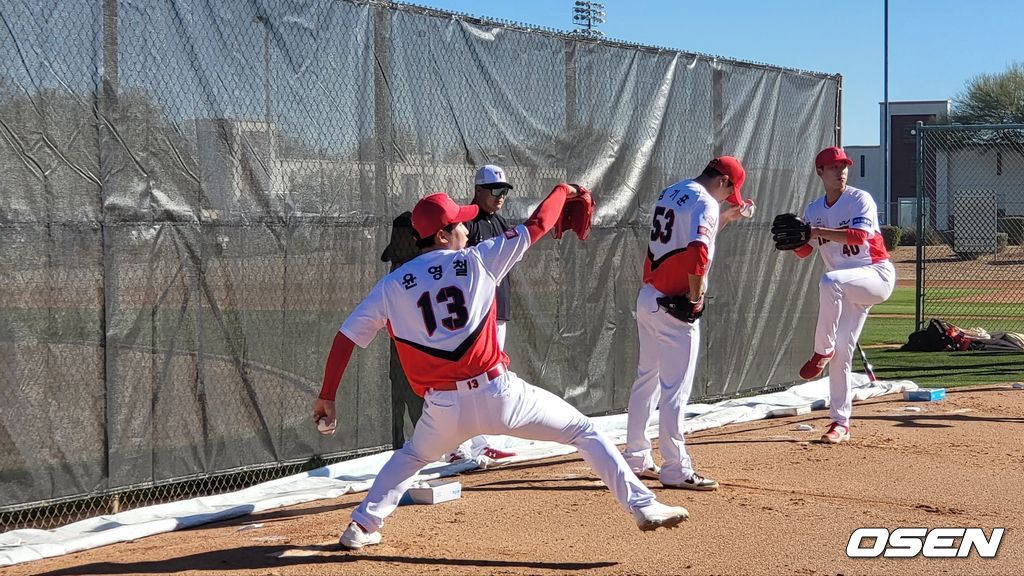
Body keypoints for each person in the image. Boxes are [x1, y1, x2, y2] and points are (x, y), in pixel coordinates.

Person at [313, 185, 689, 550]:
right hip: (499, 394)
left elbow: (345, 337)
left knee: (411, 457)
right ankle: (643, 506)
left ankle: (362, 525)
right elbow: (539, 224)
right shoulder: (479, 258)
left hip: (443, 410)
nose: (466, 228)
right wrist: (563, 190)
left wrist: (328, 396)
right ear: (442, 235)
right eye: (459, 224)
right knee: (584, 432)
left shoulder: (391, 286)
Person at [624, 156, 755, 490]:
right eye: (730, 192)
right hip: (674, 305)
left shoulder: (674, 191)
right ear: (723, 180)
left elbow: (687, 237)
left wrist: (726, 217)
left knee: (646, 382)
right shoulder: (705, 202)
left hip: (649, 296)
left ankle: (636, 458)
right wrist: (695, 299)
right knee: (674, 392)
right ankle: (675, 468)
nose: (729, 198)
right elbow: (697, 253)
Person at [776, 146, 895, 444]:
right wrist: (792, 240)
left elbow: (858, 237)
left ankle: (820, 351)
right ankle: (840, 423)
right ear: (820, 172)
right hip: (848, 285)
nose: (840, 171)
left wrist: (813, 231)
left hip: (875, 275)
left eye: (844, 166)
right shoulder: (815, 209)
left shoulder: (859, 199)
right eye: (833, 167)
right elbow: (805, 251)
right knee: (843, 351)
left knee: (829, 282)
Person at [447, 164, 519, 463]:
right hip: (475, 315)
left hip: (497, 309)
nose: (500, 196)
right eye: (494, 190)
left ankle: (482, 444)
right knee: (465, 379)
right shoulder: (468, 223)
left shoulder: (502, 224)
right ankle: (455, 446)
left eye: (503, 190)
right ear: (478, 190)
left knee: (487, 380)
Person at [379, 211, 424, 449]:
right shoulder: (403, 266)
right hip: (406, 344)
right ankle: (405, 447)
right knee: (403, 393)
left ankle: (419, 446)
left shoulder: (416, 263)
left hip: (411, 343)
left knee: (411, 395)